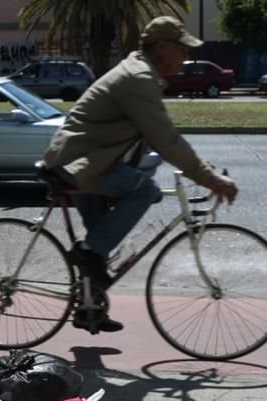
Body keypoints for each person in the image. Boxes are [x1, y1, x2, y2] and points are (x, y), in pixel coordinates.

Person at [42, 15, 238, 333]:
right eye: (181, 49)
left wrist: (205, 170)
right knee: (143, 193)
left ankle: (89, 308)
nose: (185, 57)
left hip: (90, 160)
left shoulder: (143, 74)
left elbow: (156, 137)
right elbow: (166, 139)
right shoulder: (138, 78)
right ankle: (90, 258)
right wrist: (210, 179)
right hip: (79, 163)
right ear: (161, 47)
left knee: (102, 241)